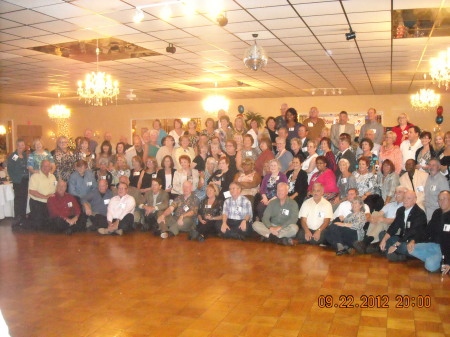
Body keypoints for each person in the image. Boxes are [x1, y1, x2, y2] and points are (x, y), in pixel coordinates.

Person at [354, 186, 407, 253]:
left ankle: (366, 241)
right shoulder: (390, 205)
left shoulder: (406, 206)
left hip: (396, 228)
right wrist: (372, 218)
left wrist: (384, 219)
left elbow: (400, 221)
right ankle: (369, 242)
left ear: (405, 194)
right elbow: (379, 214)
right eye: (395, 192)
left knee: (381, 221)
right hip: (385, 225)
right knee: (376, 214)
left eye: (399, 192)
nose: (396, 194)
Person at [379, 190, 427, 262]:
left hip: (413, 242)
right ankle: (396, 255)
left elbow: (411, 233)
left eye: (408, 198)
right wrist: (384, 240)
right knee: (382, 235)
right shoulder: (400, 210)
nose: (405, 200)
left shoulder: (419, 213)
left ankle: (393, 252)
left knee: (406, 248)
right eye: (404, 198)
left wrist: (396, 245)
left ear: (415, 200)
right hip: (401, 239)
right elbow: (394, 227)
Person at [409, 190, 450, 273]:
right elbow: (427, 231)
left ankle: (441, 262)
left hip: (446, 250)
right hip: (433, 245)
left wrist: (448, 262)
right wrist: (414, 240)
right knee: (410, 248)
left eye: (444, 199)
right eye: (439, 199)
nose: (441, 201)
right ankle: (437, 260)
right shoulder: (437, 213)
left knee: (429, 266)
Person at [20, 160, 56, 230]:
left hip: (50, 203)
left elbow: (56, 187)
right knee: (38, 226)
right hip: (37, 203)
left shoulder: (53, 177)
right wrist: (45, 196)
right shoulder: (35, 176)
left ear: (50, 167)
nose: (45, 168)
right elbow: (32, 191)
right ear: (41, 166)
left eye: (47, 166)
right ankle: (29, 219)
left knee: (50, 224)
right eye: (43, 166)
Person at [7, 138, 29, 221]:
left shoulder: (25, 155)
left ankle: (23, 216)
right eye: (19, 145)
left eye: (23, 145)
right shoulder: (14, 156)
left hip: (25, 180)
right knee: (18, 199)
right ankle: (18, 217)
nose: (21, 146)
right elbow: (10, 169)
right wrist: (14, 178)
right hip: (18, 181)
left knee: (24, 198)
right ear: (17, 146)